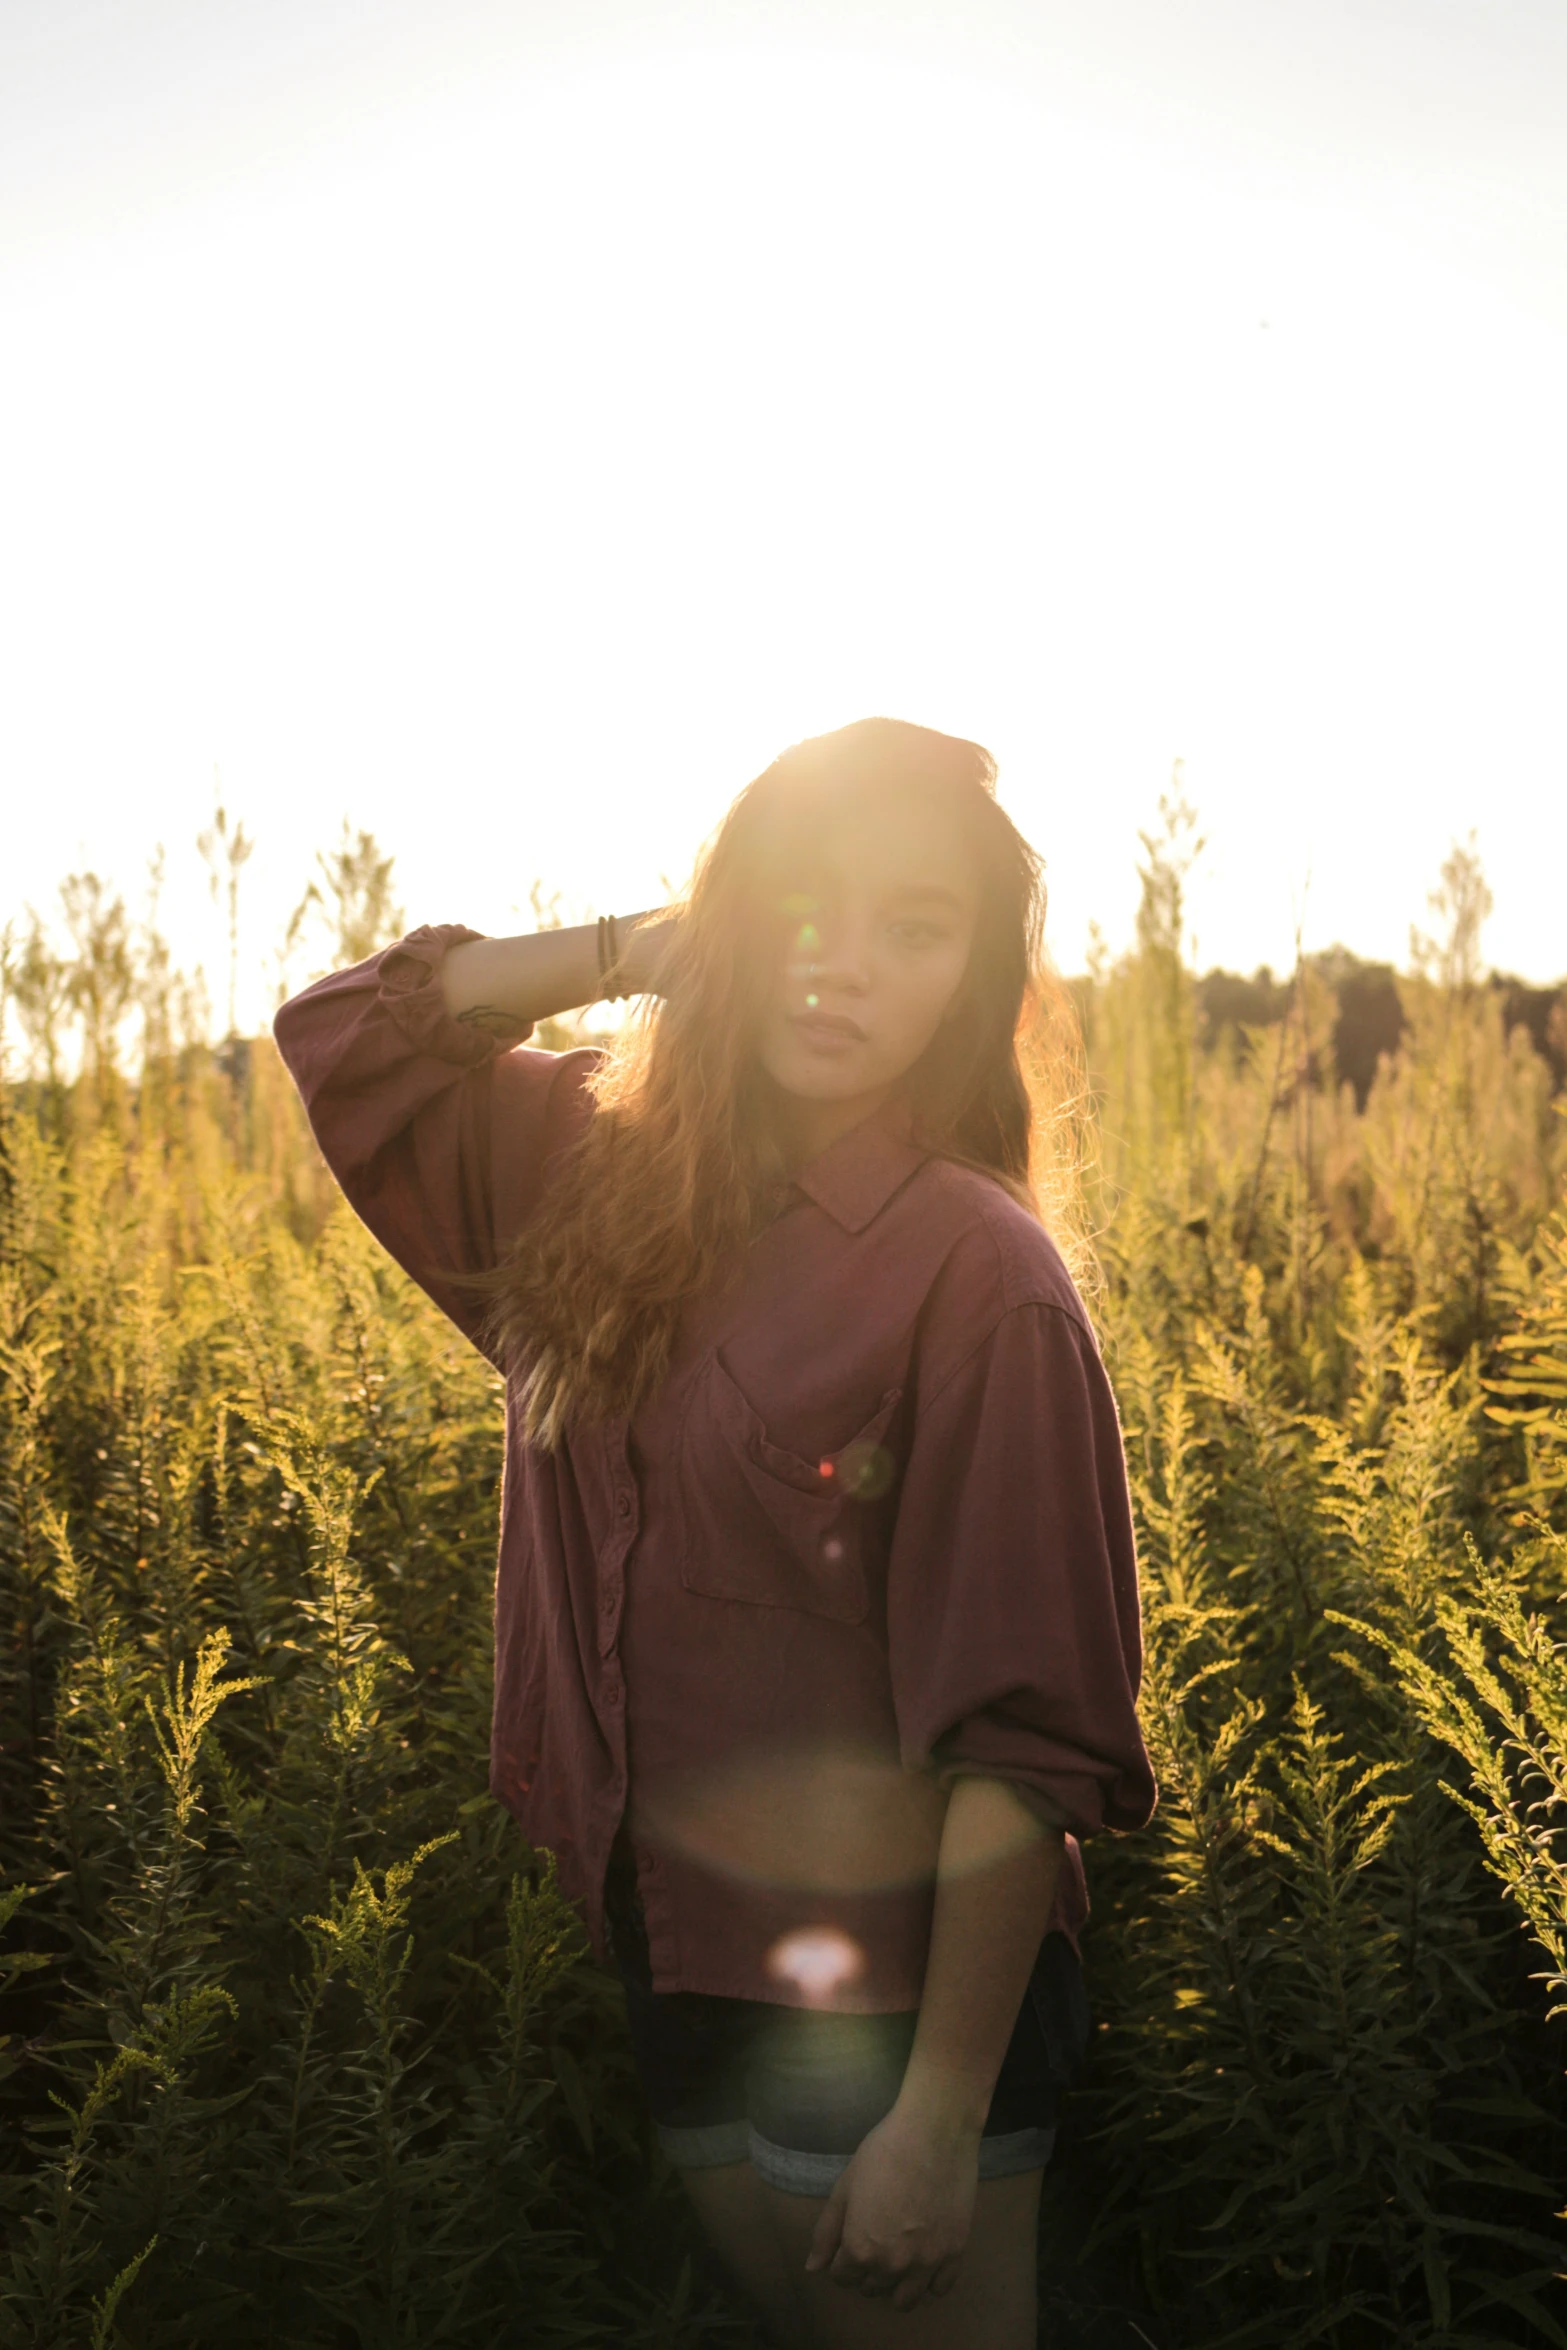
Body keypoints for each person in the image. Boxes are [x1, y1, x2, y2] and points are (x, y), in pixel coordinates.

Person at [274, 716, 1155, 2349]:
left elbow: (1024, 1748)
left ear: (972, 973)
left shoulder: (980, 1280)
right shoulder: (581, 1167)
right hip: (673, 1952)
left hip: (900, 2013)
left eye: (918, 926)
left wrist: (940, 2116)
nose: (848, 966)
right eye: (805, 906)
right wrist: (638, 949)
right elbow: (343, 1034)